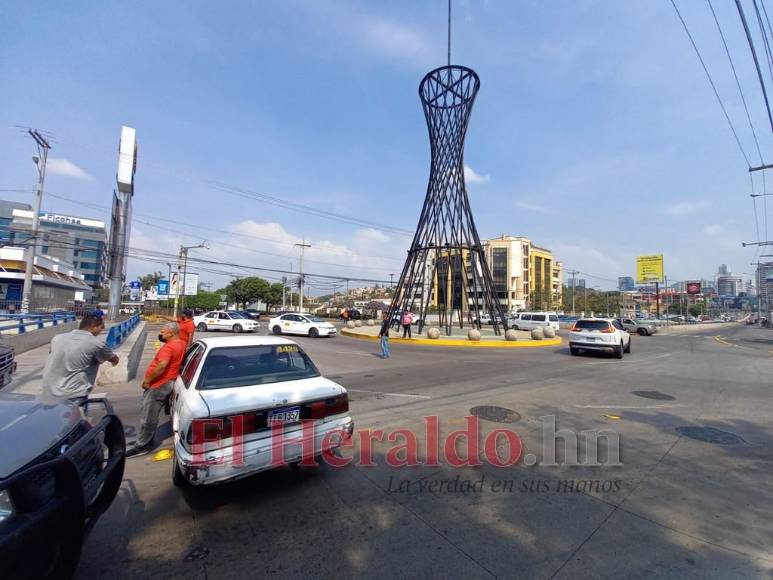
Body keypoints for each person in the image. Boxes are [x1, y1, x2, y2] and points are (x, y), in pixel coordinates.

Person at [126, 322, 186, 457]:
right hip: (168, 381)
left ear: (171, 333)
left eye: (163, 332)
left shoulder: (168, 348)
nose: (161, 334)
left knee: (148, 416)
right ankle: (146, 439)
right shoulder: (181, 343)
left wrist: (148, 381)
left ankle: (143, 445)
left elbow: (162, 366)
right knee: (151, 414)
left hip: (159, 384)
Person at [42, 314, 119, 400]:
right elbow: (114, 359)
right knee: (75, 412)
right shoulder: (96, 343)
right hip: (73, 393)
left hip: (48, 390)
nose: (102, 330)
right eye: (101, 327)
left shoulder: (57, 338)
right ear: (93, 326)